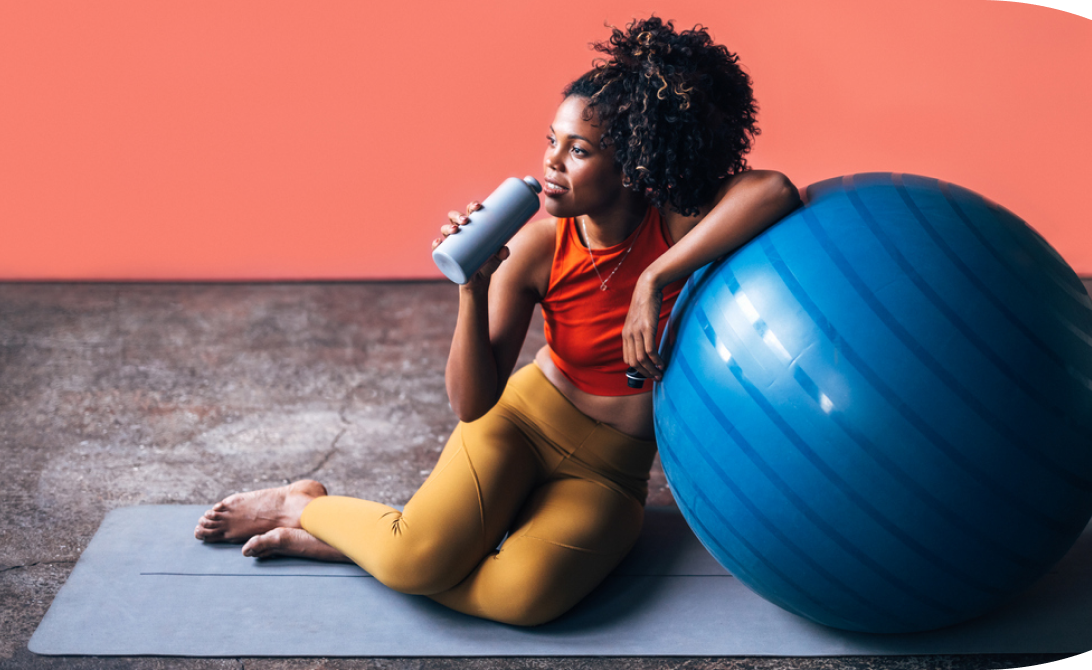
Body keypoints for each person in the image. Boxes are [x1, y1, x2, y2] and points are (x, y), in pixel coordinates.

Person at [193, 16, 801, 626]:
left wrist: (655, 277)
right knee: (415, 562)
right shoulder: (537, 250)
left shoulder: (670, 226)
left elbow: (774, 190)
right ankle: (306, 506)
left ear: (631, 165)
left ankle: (370, 547)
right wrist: (473, 286)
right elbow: (471, 403)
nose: (552, 163)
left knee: (521, 601)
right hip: (522, 423)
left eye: (580, 150)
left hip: (610, 471)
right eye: (552, 140)